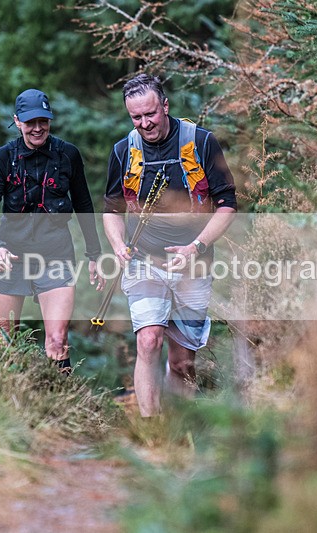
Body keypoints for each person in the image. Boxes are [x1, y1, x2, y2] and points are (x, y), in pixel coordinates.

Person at [103, 74, 237, 416]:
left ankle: (178, 431)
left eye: (151, 113)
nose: (145, 123)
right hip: (144, 260)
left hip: (195, 263)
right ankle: (151, 429)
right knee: (148, 341)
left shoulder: (202, 142)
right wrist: (118, 244)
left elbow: (227, 205)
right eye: (136, 117)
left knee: (181, 363)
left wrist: (197, 246)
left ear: (165, 106)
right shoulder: (123, 151)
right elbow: (111, 211)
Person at [0, 88, 105, 373]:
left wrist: (94, 254)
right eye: (30, 122)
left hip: (56, 255)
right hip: (11, 258)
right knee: (4, 341)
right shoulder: (2, 158)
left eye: (43, 121)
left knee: (58, 340)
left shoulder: (68, 155)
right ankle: (6, 406)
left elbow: (84, 205)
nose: (37, 128)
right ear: (17, 121)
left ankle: (60, 409)